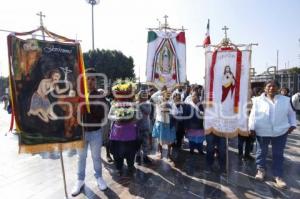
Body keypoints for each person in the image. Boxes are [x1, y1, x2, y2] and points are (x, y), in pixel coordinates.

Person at [249, 80, 296, 189]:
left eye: (274, 86)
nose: (271, 88)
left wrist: (293, 124)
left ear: (278, 88)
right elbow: (252, 115)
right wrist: (251, 127)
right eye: (269, 86)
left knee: (278, 154)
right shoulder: (257, 100)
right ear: (265, 88)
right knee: (261, 152)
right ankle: (261, 171)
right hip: (262, 130)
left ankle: (278, 176)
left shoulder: (285, 100)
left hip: (280, 131)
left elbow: (291, 113)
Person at [71, 68, 107, 196]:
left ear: (96, 81)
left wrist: (90, 103)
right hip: (81, 133)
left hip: (95, 132)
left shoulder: (99, 96)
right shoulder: (79, 95)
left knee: (96, 157)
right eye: (88, 79)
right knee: (81, 158)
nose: (90, 81)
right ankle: (80, 180)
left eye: (93, 79)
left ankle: (99, 177)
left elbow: (102, 114)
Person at [151, 86, 176, 161]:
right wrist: (160, 91)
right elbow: (152, 97)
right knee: (159, 139)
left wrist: (169, 111)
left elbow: (175, 112)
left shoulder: (171, 100)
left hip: (169, 122)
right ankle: (160, 153)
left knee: (170, 140)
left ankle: (168, 154)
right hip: (160, 122)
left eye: (167, 92)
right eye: (164, 92)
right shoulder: (159, 99)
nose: (166, 93)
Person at [184, 91, 205, 155]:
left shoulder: (200, 105)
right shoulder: (188, 105)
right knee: (191, 139)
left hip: (200, 126)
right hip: (191, 126)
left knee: (200, 139)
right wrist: (185, 126)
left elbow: (204, 113)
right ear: (191, 97)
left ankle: (200, 150)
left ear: (198, 97)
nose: (195, 97)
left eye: (196, 96)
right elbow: (185, 116)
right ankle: (191, 149)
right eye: (193, 96)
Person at [136, 90, 152, 165]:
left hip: (145, 126)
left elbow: (148, 111)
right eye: (143, 95)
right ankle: (138, 157)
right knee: (138, 143)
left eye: (145, 95)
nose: (144, 96)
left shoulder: (148, 104)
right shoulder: (136, 103)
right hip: (137, 127)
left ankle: (145, 157)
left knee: (145, 143)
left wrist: (140, 105)